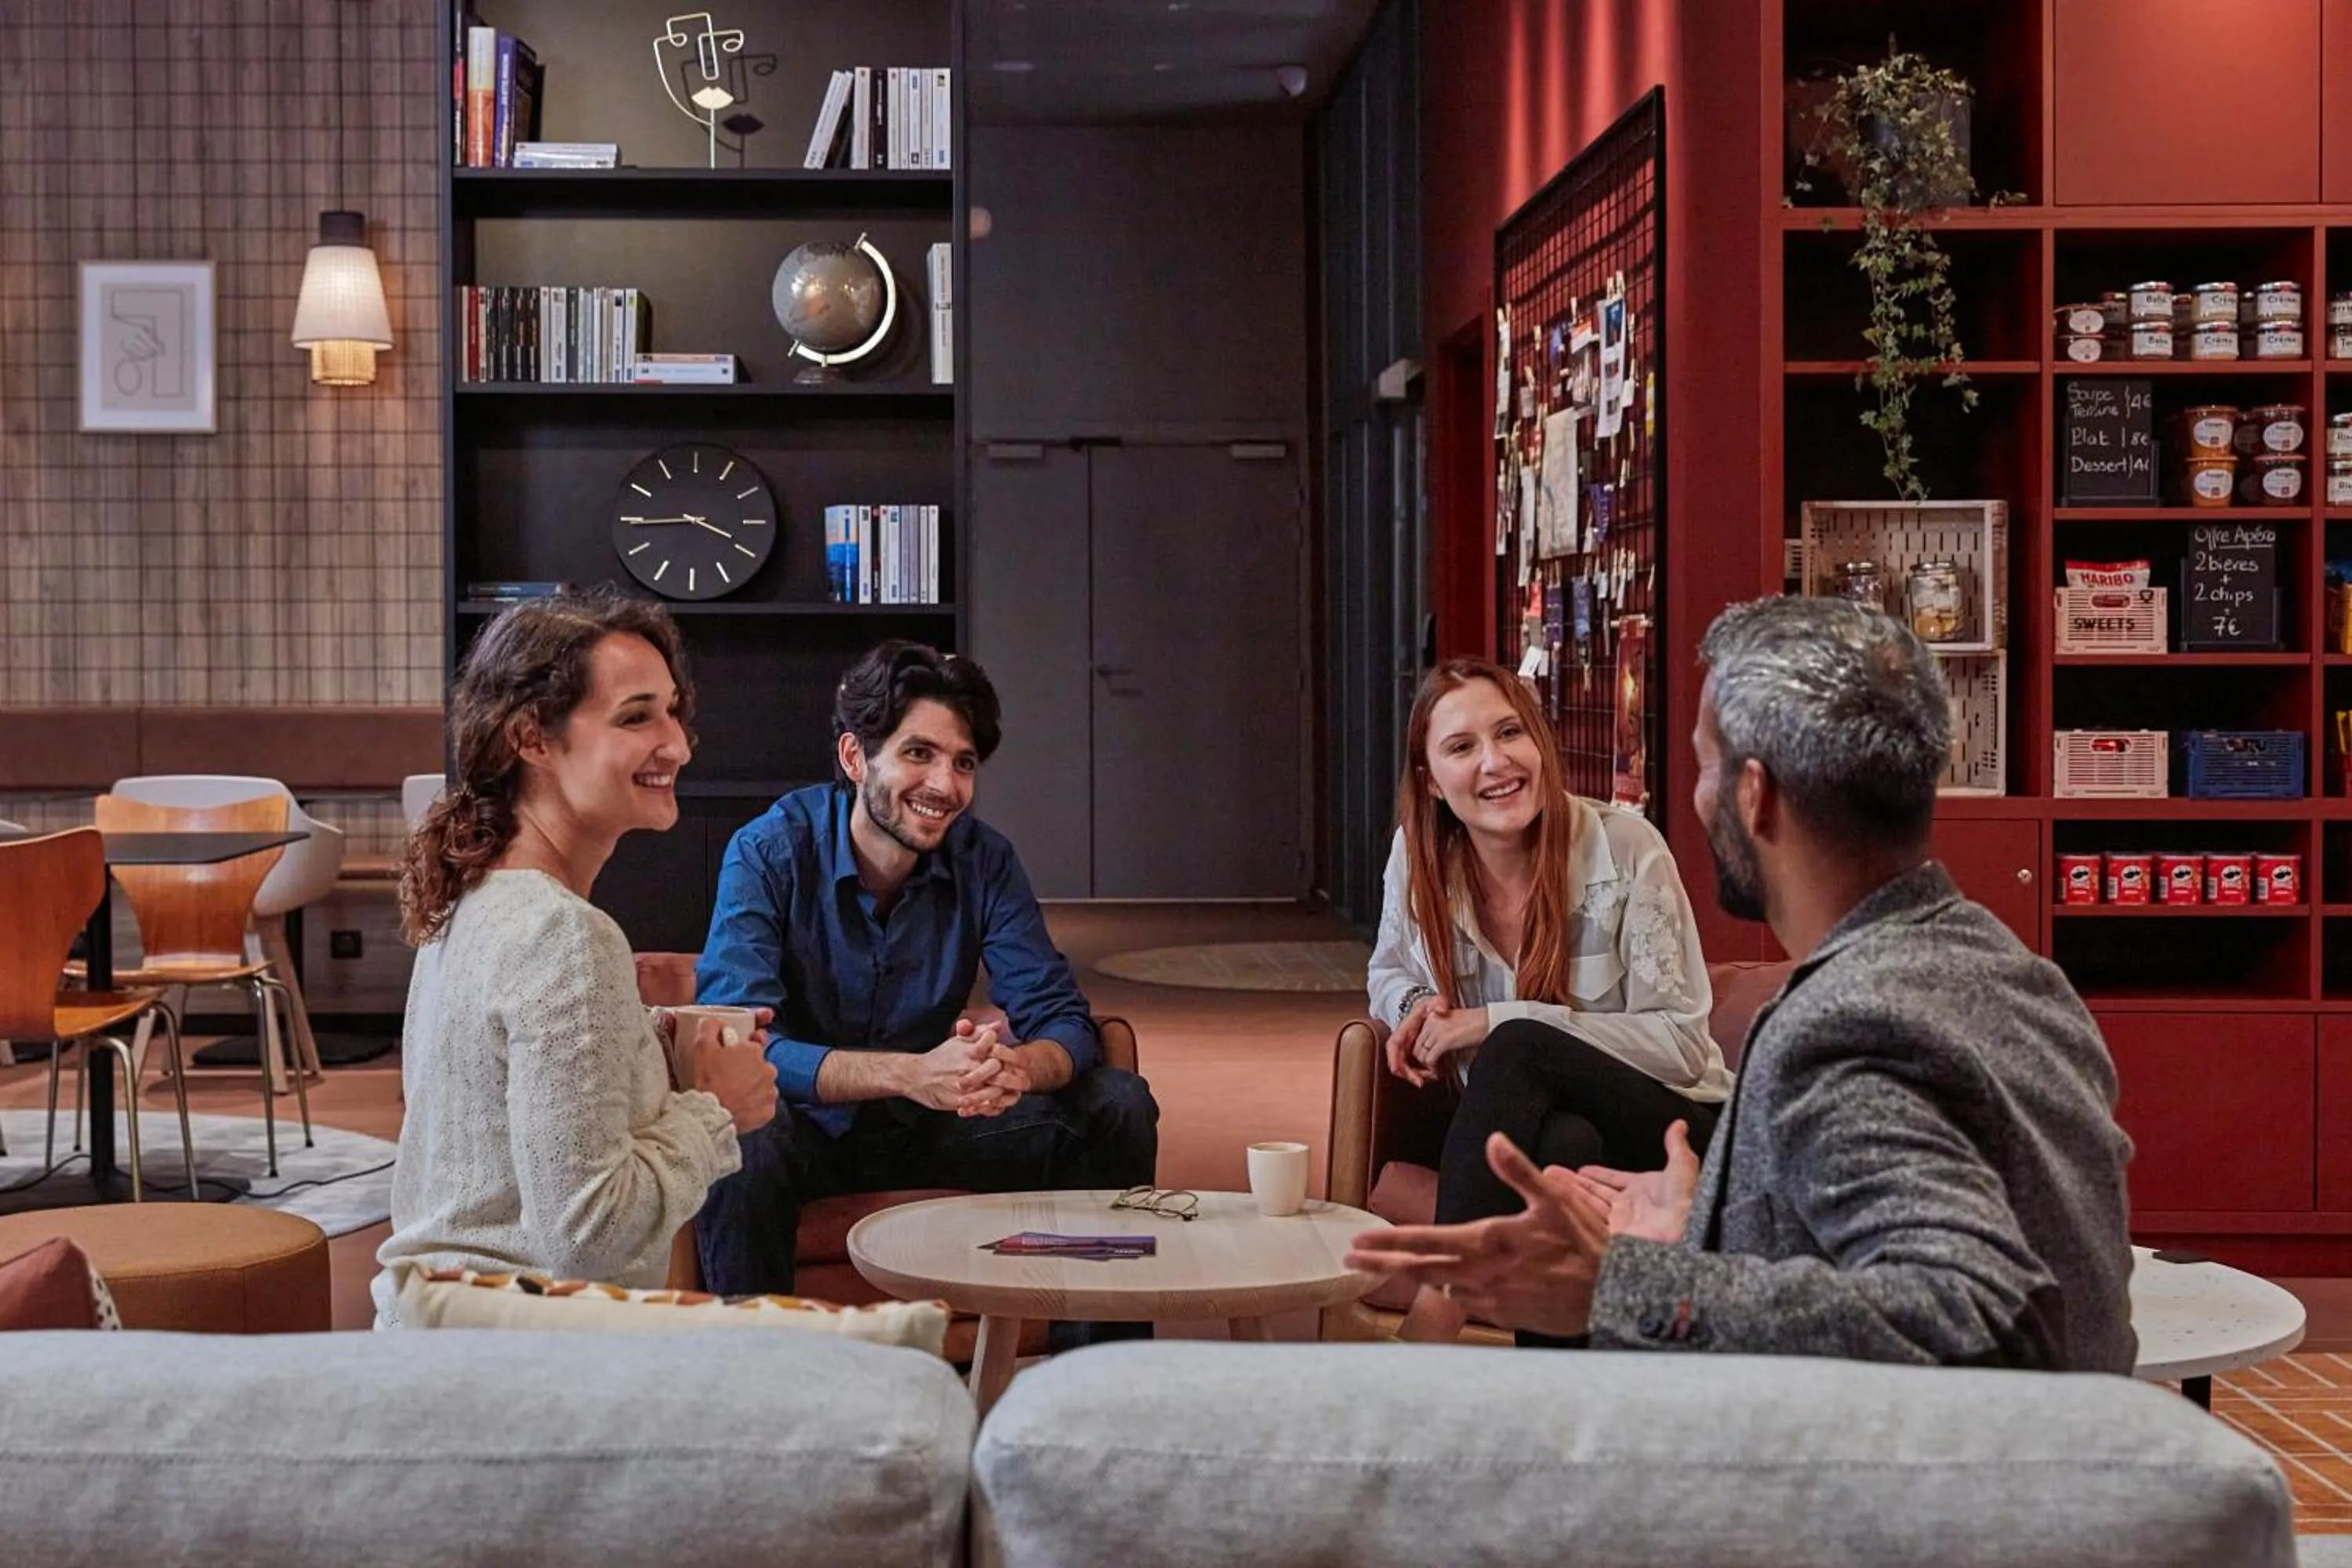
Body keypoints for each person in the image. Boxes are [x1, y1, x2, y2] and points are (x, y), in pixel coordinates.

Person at [1349, 597, 2137, 1372]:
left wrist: (1638, 1285)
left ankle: (1472, 1353)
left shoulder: (1846, 1027)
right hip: (2063, 1463)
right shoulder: (2028, 981)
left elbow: (1982, 1318)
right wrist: (1706, 1222)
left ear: (1752, 794)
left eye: (1704, 764)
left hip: (1938, 1487)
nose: (1698, 795)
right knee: (1568, 1152)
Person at [694, 641, 1159, 1296]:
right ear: (855, 757)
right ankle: (759, 1377)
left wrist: (1018, 1069)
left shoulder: (985, 860)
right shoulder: (768, 851)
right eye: (919, 754)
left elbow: (1062, 1019)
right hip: (801, 1130)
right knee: (737, 1134)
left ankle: (1090, 1364)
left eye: (963, 763)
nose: (945, 786)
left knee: (1119, 1105)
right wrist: (911, 1074)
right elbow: (734, 1041)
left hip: (935, 1128)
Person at [373, 592, 779, 1327]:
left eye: (674, 711)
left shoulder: (475, 899)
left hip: (441, 1334)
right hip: (520, 1361)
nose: (678, 745)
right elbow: (588, 1236)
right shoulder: (564, 935)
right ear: (533, 736)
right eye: (636, 717)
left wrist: (643, 1047)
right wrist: (717, 1111)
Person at [1370, 659, 1730, 1345]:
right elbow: (1386, 968)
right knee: (1562, 1146)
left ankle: (1439, 1307)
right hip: (1541, 1138)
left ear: (1540, 742)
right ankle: (1559, 1396)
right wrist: (1418, 1006)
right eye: (1461, 747)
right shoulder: (1418, 859)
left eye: (1511, 733)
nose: (1495, 762)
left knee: (1517, 1043)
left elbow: (1684, 1046)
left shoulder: (1626, 849)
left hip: (1677, 1128)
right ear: (1431, 783)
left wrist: (1498, 1022)